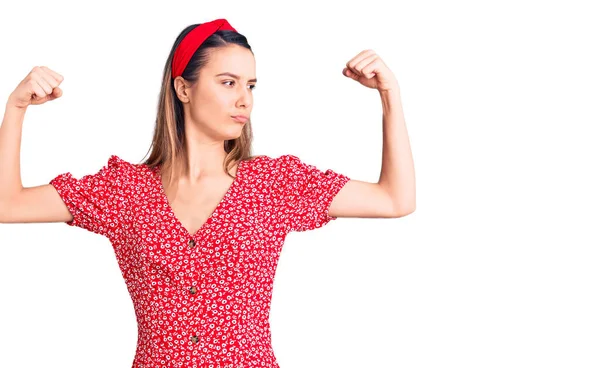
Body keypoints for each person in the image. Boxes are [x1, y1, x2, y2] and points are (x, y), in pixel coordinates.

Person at [0, 18, 416, 368]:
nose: (244, 100)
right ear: (183, 89)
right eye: (228, 82)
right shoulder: (124, 190)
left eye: (251, 85)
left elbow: (395, 200)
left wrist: (389, 95)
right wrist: (16, 109)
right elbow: (8, 205)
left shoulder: (274, 184)